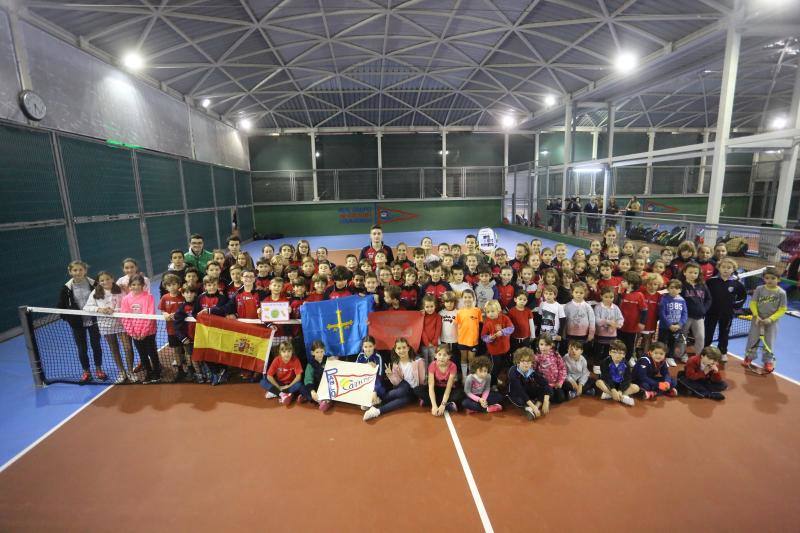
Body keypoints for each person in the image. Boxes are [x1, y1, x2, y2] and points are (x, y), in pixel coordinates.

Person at [58, 261, 105, 384]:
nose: (78, 272)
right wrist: (70, 319)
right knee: (82, 348)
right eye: (75, 270)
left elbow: (103, 299)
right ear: (70, 272)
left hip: (94, 321)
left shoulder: (94, 284)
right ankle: (86, 372)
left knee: (96, 345)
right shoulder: (66, 289)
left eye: (80, 270)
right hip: (77, 324)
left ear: (85, 271)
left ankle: (99, 369)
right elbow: (61, 306)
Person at [83, 270, 132, 383]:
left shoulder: (120, 290)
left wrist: (116, 310)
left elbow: (127, 304)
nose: (105, 282)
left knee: (128, 348)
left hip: (122, 324)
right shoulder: (96, 292)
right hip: (106, 325)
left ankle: (130, 371)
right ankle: (122, 372)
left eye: (107, 279)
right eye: (102, 280)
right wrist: (100, 309)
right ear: (99, 282)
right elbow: (86, 307)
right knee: (114, 349)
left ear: (112, 279)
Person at [363, 338, 426, 421]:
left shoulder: (418, 361)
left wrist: (420, 394)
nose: (402, 350)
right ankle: (375, 401)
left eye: (404, 347)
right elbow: (396, 383)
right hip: (403, 387)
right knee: (404, 388)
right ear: (395, 350)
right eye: (399, 348)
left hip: (414, 391)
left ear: (408, 348)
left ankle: (377, 410)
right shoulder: (396, 364)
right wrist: (390, 375)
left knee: (404, 400)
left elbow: (422, 380)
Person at [743, 267, 787, 373]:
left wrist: (770, 319)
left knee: (769, 341)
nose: (770, 280)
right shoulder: (759, 289)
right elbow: (753, 303)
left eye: (773, 278)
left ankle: (768, 361)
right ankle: (749, 358)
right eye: (767, 278)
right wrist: (756, 315)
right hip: (757, 320)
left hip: (772, 322)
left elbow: (782, 309)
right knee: (752, 339)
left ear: (778, 279)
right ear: (764, 279)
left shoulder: (781, 293)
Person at [120, 274, 160, 384]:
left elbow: (150, 315)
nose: (136, 287)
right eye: (133, 284)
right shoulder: (125, 299)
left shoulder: (149, 297)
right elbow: (125, 317)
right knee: (142, 354)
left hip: (149, 332)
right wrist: (132, 332)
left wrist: (144, 332)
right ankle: (149, 372)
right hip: (135, 333)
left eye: (139, 284)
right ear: (129, 286)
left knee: (152, 352)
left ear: (143, 285)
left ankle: (157, 371)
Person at [705, 258, 746, 362]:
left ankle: (722, 352)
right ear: (719, 268)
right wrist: (705, 307)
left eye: (729, 268)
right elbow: (705, 295)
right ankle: (705, 350)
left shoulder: (737, 284)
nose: (726, 270)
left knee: (724, 333)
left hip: (727, 314)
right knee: (708, 331)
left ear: (733, 269)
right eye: (723, 267)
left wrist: (734, 307)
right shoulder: (711, 281)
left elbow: (742, 297)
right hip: (711, 312)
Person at [507, 347, 551, 421]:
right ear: (518, 361)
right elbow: (520, 391)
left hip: (527, 391)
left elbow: (546, 384)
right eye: (523, 361)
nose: (526, 364)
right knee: (520, 401)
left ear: (531, 363)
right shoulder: (513, 371)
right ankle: (529, 407)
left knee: (545, 390)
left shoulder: (532, 372)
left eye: (528, 361)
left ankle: (536, 406)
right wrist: (533, 407)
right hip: (515, 393)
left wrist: (546, 401)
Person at [262, 341, 311, 405]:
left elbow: (299, 377)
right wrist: (278, 387)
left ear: (292, 352)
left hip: (291, 384)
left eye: (289, 351)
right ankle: (282, 394)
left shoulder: (295, 360)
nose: (286, 354)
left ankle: (278, 392)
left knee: (299, 385)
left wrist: (288, 386)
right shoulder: (277, 360)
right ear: (280, 352)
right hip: (279, 383)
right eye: (284, 352)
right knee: (263, 381)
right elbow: (269, 376)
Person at [158, 273, 187, 381]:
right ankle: (180, 371)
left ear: (178, 284)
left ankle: (191, 369)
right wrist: (165, 314)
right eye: (169, 285)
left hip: (185, 329)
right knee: (177, 350)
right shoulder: (165, 298)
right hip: (172, 330)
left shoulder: (183, 295)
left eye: (174, 284)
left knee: (186, 350)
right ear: (166, 287)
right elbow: (162, 310)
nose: (172, 287)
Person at [681, 263, 711, 361]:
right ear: (684, 272)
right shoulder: (681, 285)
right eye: (690, 272)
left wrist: (704, 310)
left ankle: (699, 356)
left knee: (701, 337)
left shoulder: (702, 285)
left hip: (699, 317)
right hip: (685, 317)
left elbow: (709, 299)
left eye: (695, 273)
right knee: (682, 337)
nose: (693, 274)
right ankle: (682, 354)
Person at [481, 300, 514, 387]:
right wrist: (490, 338)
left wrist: (503, 332)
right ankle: (492, 384)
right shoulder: (487, 322)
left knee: (503, 366)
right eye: (488, 312)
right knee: (495, 367)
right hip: (494, 351)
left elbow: (511, 328)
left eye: (492, 311)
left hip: (505, 348)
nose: (490, 314)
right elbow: (483, 337)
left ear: (498, 310)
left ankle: (497, 380)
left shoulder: (505, 318)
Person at [423, 344, 463, 416]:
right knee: (418, 389)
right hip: (436, 389)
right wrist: (434, 406)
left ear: (449, 357)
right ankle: (448, 405)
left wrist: (443, 405)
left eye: (445, 355)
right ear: (435, 355)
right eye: (439, 354)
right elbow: (431, 386)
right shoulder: (432, 365)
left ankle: (428, 402)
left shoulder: (453, 366)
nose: (442, 357)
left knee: (461, 394)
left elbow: (448, 387)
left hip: (448, 390)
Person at [596, 340, 639, 406]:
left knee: (636, 387)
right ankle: (620, 397)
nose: (617, 355)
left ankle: (615, 395)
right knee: (598, 382)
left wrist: (620, 390)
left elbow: (627, 379)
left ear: (624, 355)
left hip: (620, 386)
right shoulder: (605, 362)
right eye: (614, 352)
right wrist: (613, 389)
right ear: (610, 352)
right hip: (609, 385)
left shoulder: (626, 364)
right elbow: (606, 377)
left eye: (620, 353)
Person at [592, 287, 624, 374]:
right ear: (601, 296)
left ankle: (605, 364)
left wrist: (618, 324)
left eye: (611, 297)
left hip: (612, 335)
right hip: (600, 334)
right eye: (606, 297)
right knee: (598, 350)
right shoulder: (598, 307)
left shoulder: (616, 308)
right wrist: (608, 322)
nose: (608, 299)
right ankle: (596, 364)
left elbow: (620, 319)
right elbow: (596, 320)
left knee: (608, 351)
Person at [658, 279, 688, 365]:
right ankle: (661, 358)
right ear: (668, 289)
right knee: (662, 342)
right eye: (671, 287)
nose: (674, 289)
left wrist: (680, 324)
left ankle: (670, 357)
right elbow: (662, 313)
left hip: (677, 327)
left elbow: (684, 314)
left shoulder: (682, 300)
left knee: (673, 342)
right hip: (665, 327)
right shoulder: (664, 299)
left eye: (677, 288)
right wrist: (669, 324)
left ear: (680, 290)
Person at [534, 335, 570, 403]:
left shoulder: (556, 355)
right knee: (555, 397)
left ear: (551, 345)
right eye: (541, 344)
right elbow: (534, 372)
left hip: (556, 384)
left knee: (561, 397)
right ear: (538, 345)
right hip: (545, 386)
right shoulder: (537, 357)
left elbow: (562, 368)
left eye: (546, 345)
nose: (543, 347)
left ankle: (567, 393)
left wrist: (560, 381)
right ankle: (545, 398)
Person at [455, 289, 482, 373]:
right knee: (463, 358)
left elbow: (481, 323)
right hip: (462, 340)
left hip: (473, 341)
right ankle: (464, 378)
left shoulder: (477, 311)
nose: (467, 299)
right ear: (462, 299)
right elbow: (457, 325)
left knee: (471, 359)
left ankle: (470, 376)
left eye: (469, 297)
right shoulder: (459, 312)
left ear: (473, 298)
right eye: (465, 297)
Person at [355, 336, 384, 409]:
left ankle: (373, 400)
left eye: (370, 346)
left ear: (374, 346)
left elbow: (380, 376)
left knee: (381, 391)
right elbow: (355, 370)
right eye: (365, 347)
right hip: (364, 382)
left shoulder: (378, 357)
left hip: (376, 383)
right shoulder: (360, 356)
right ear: (362, 347)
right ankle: (372, 402)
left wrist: (375, 390)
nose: (368, 349)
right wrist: (366, 365)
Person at [305, 341, 331, 412]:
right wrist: (312, 391)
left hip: (326, 386)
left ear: (324, 351)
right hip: (316, 386)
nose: (320, 354)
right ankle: (321, 402)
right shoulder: (310, 365)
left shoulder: (328, 360)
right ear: (312, 353)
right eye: (317, 352)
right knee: (307, 391)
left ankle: (323, 401)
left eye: (321, 351)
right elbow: (308, 379)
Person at [420, 295, 442, 364]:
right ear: (424, 307)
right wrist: (427, 342)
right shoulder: (422, 316)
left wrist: (434, 341)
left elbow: (438, 329)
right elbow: (421, 329)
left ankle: (431, 373)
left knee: (433, 359)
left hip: (434, 344)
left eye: (432, 306)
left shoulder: (438, 317)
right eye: (427, 307)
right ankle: (425, 374)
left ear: (435, 306)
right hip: (424, 343)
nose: (430, 309)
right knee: (425, 359)